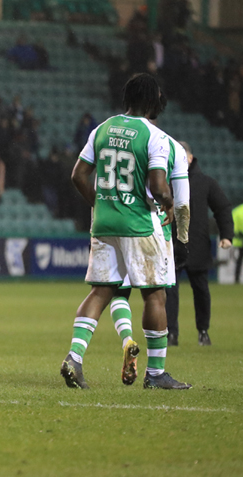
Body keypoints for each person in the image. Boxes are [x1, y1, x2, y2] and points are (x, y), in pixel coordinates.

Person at [60, 73, 190, 390]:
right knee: (155, 295)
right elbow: (159, 185)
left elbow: (78, 175)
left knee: (101, 291)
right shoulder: (154, 136)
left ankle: (74, 358)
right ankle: (156, 374)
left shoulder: (102, 128)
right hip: (139, 224)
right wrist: (169, 204)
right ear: (151, 101)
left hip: (104, 223)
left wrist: (102, 203)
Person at [103, 130, 190, 377]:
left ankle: (127, 339)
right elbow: (180, 202)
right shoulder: (169, 147)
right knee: (154, 296)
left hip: (116, 221)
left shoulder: (116, 137)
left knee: (119, 291)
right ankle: (155, 372)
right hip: (153, 226)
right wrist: (183, 240)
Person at [164, 143, 232, 346]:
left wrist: (226, 235)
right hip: (172, 246)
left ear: (191, 158)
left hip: (198, 246)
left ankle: (203, 331)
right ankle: (171, 333)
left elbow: (222, 208)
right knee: (169, 291)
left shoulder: (206, 183)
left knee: (201, 291)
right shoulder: (165, 181)